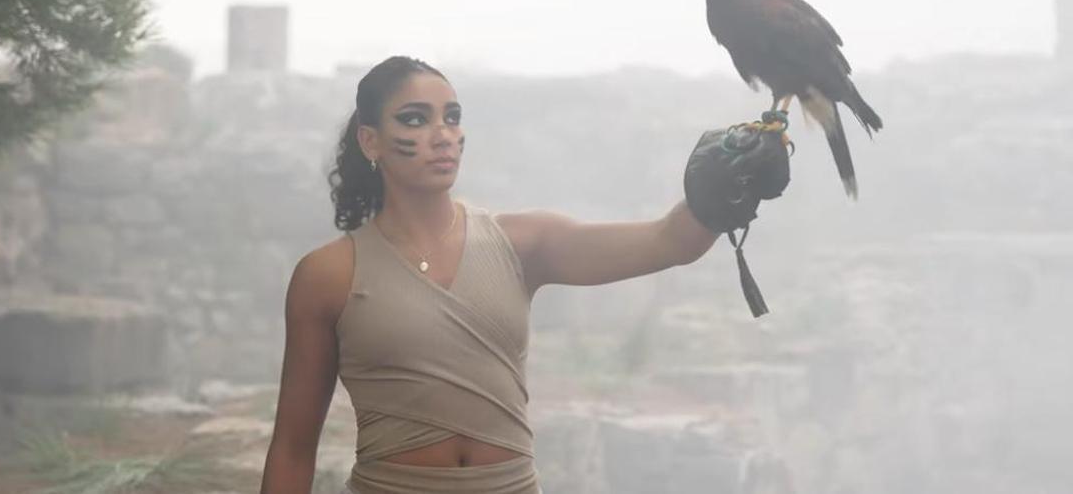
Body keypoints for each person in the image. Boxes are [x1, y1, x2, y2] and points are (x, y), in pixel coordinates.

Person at [259, 55, 724, 494]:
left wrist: (724, 189)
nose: (442, 134)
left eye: (452, 117)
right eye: (416, 119)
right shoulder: (327, 275)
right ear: (370, 141)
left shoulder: (523, 243)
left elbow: (671, 241)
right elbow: (293, 449)